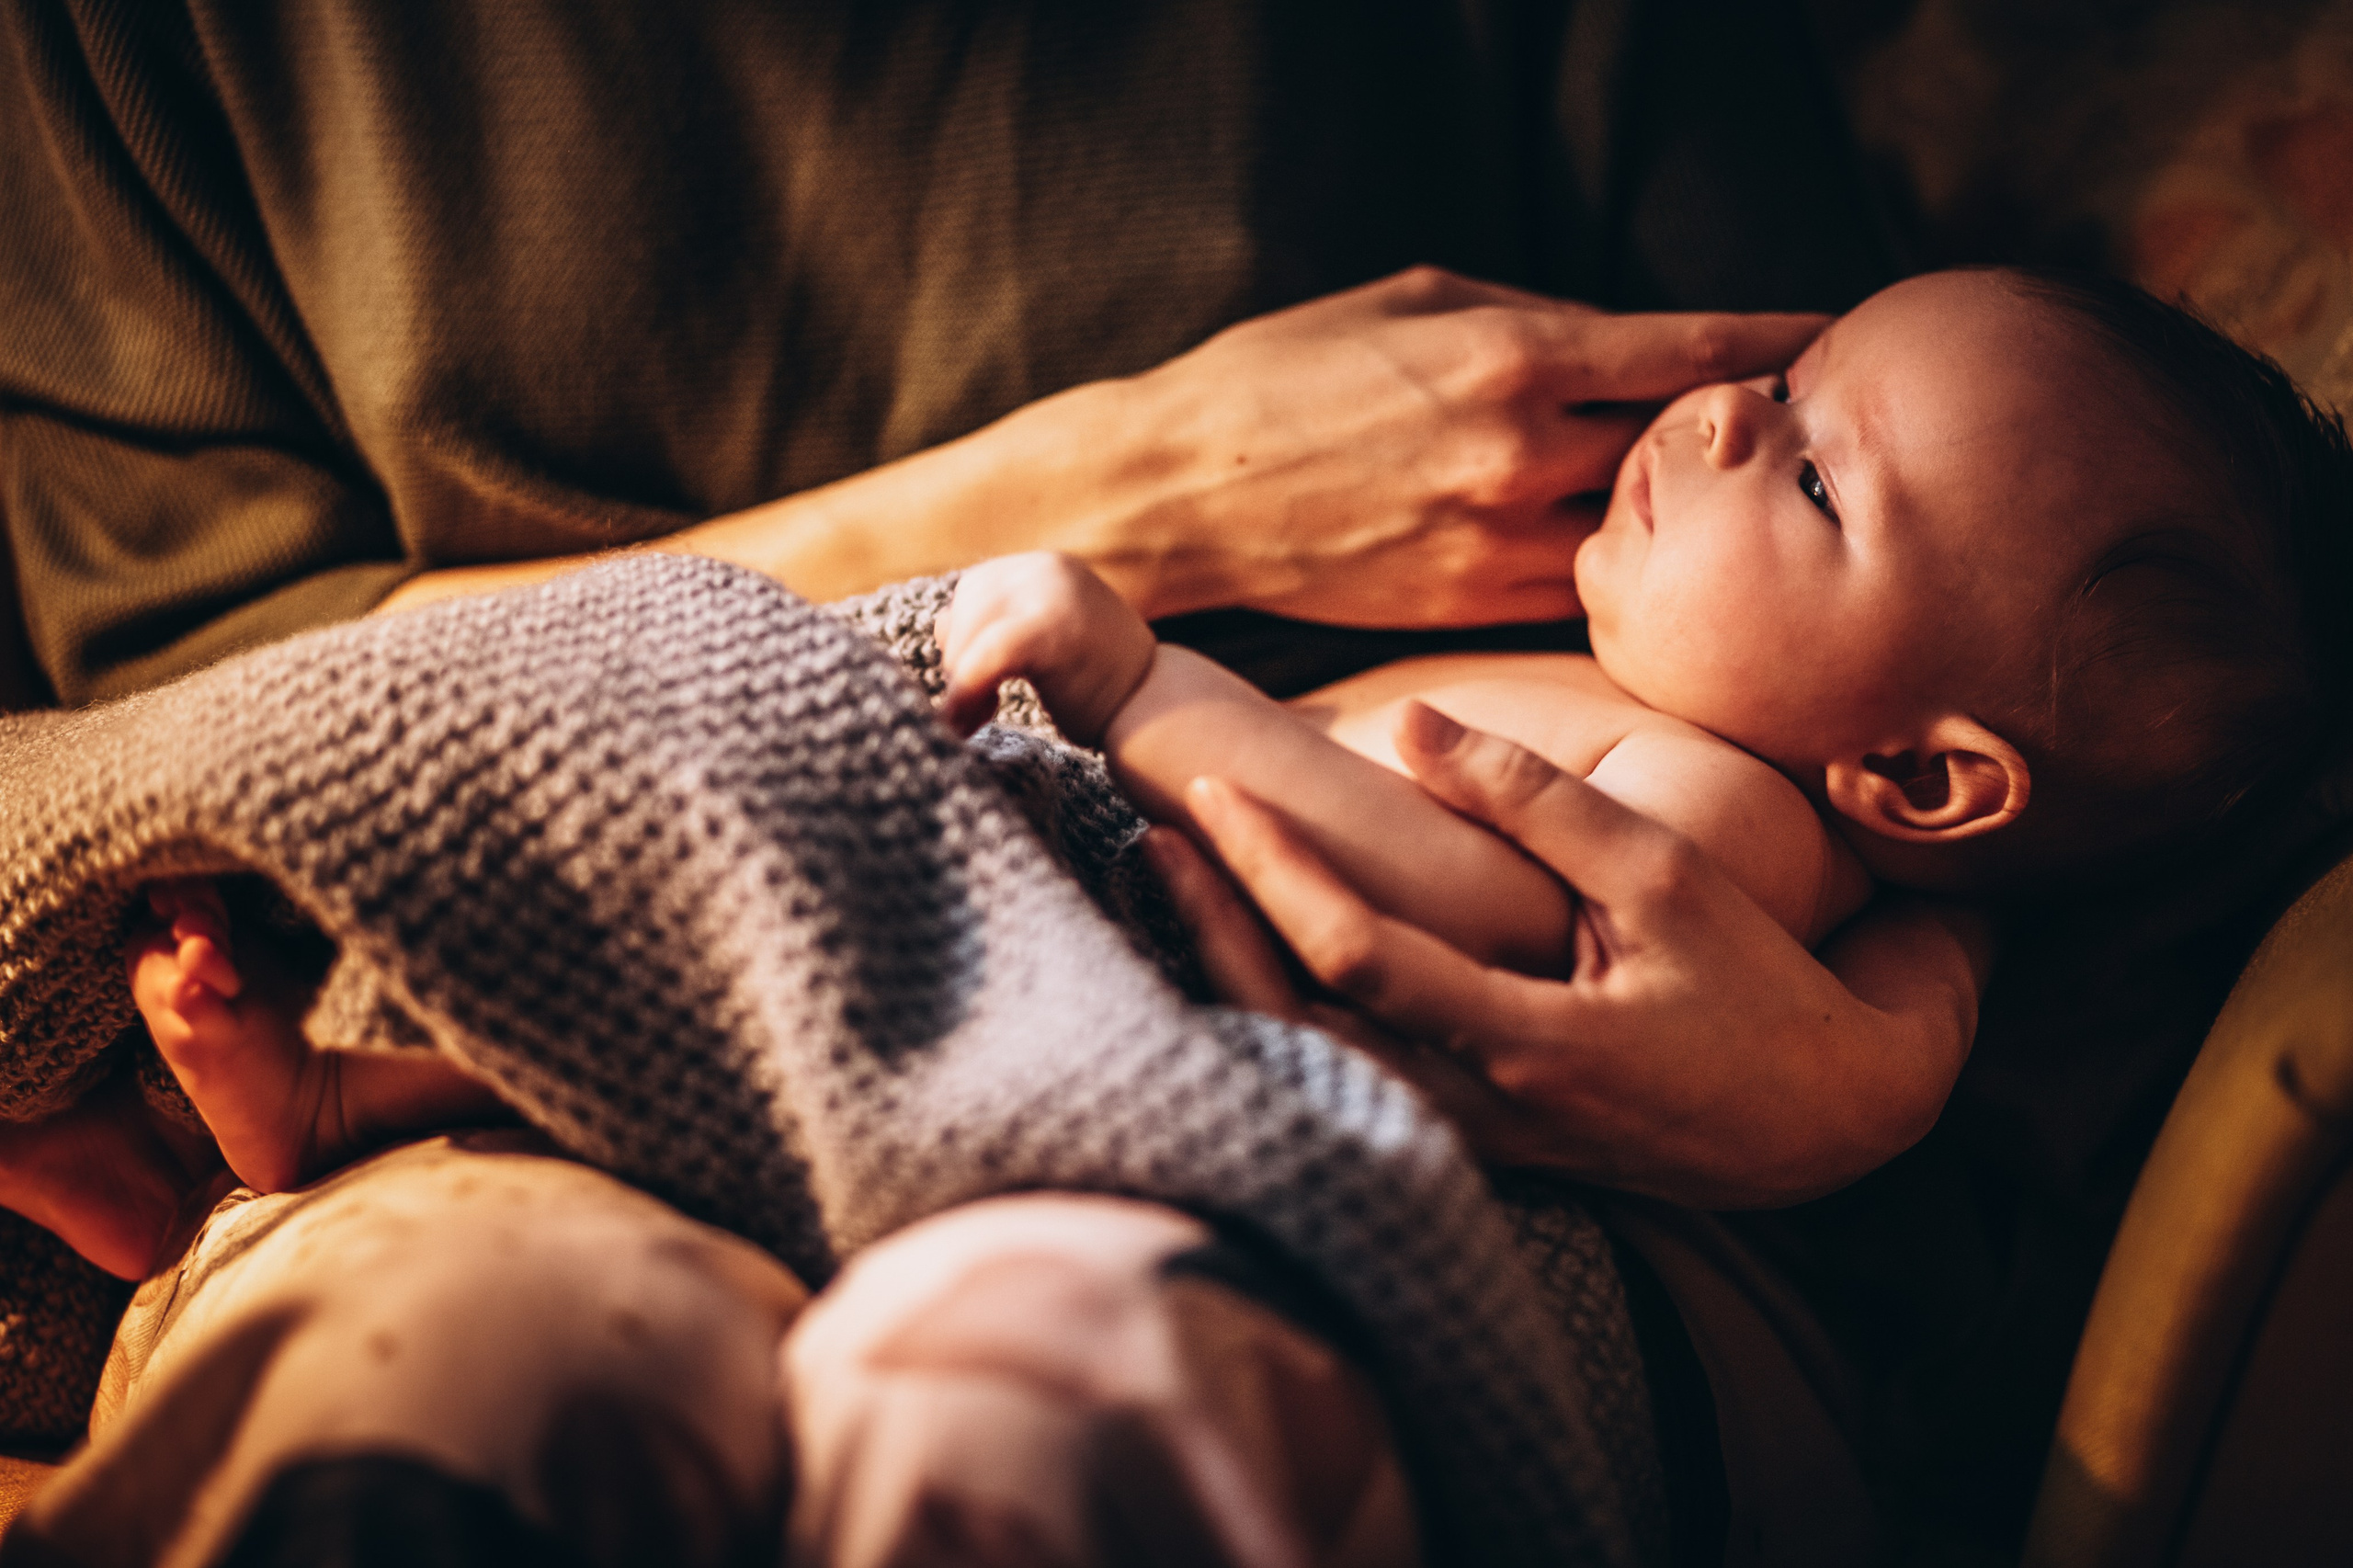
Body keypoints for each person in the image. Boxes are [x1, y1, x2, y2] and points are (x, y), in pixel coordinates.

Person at [0, 2, 2144, 1563]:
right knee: (490, 1367)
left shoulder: (1725, 784)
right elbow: (182, 772)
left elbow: (1443, 900)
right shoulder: (121, 65)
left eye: (1801, 454)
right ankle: (349, 1133)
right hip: (876, 895)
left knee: (1063, 1376)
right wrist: (1122, 510)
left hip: (1241, 1092)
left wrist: (1894, 1041)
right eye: (1757, 392)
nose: (1712, 417)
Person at [940, 265, 2347, 1199]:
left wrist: (1140, 696)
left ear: (1918, 775)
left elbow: (1459, 901)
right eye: (1795, 380)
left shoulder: (1738, 821)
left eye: (1817, 486)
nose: (1729, 416)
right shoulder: (1656, 706)